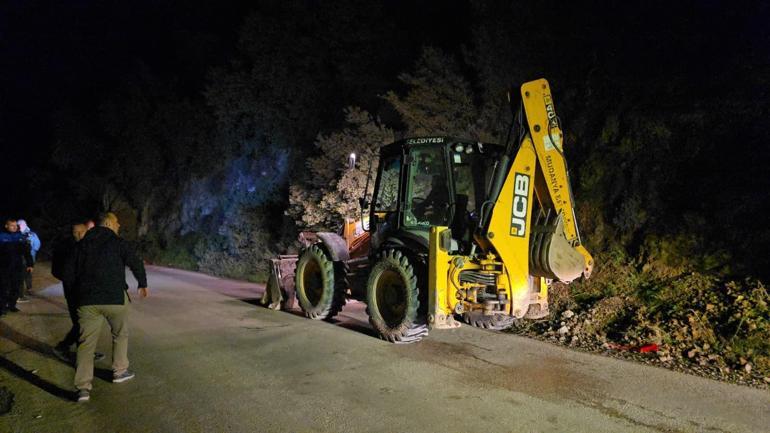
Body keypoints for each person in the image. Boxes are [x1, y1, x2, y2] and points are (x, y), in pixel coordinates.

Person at [68, 212, 149, 402]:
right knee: (120, 334)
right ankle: (119, 371)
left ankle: (82, 389)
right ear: (110, 223)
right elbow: (135, 262)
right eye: (117, 222)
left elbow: (68, 272)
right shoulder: (118, 243)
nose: (119, 225)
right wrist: (142, 283)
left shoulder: (82, 244)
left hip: (87, 301)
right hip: (114, 298)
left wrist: (76, 295)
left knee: (86, 343)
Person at [50, 220, 103, 362]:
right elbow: (60, 271)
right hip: (75, 291)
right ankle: (62, 347)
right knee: (82, 322)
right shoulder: (69, 248)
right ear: (80, 232)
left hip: (80, 289)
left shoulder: (79, 246)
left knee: (82, 322)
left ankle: (85, 351)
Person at [0, 219, 33, 315]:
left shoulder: (21, 237)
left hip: (17, 266)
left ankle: (12, 305)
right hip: (4, 267)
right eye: (12, 225)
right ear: (6, 226)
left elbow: (27, 252)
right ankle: (2, 307)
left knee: (16, 287)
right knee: (3, 287)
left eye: (16, 225)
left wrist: (30, 264)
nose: (15, 227)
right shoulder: (1, 236)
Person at [16, 219, 40, 303]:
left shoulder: (31, 234)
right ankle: (20, 294)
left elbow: (37, 244)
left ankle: (27, 290)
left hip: (28, 257)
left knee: (27, 273)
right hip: (24, 258)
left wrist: (31, 251)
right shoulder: (18, 234)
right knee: (23, 275)